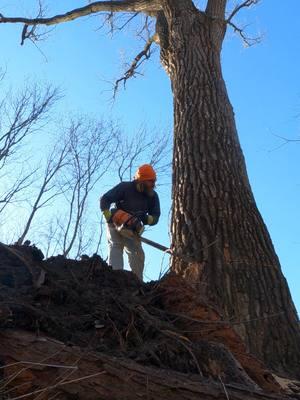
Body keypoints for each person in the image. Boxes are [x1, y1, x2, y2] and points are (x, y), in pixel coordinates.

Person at [100, 164, 160, 281]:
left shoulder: (152, 196)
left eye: (153, 181)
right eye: (150, 181)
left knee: (136, 253)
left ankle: (137, 282)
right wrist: (109, 218)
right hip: (116, 222)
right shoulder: (125, 187)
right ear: (141, 181)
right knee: (115, 246)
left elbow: (156, 216)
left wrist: (146, 219)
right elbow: (104, 199)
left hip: (132, 228)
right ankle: (114, 279)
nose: (152, 184)